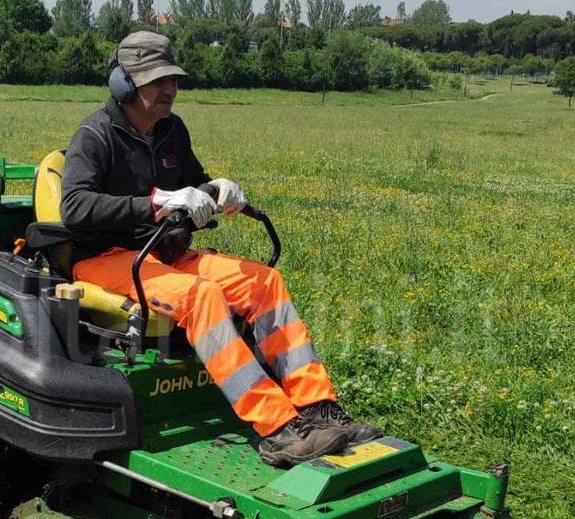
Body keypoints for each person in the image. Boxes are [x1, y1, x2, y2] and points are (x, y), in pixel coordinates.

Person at [61, 31, 381, 467]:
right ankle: (278, 428)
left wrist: (217, 190)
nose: (169, 89)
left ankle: (317, 408)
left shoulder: (172, 131)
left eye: (173, 79)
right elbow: (75, 208)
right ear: (124, 84)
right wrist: (152, 203)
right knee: (202, 296)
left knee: (264, 283)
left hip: (166, 253)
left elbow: (194, 186)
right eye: (157, 81)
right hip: (107, 258)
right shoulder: (94, 135)